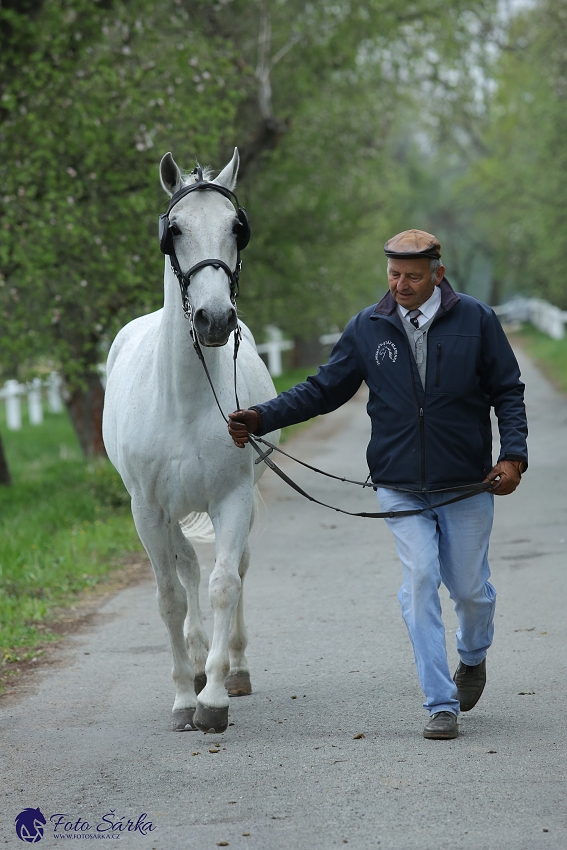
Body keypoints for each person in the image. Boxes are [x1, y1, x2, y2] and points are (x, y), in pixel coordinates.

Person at [227, 229, 528, 740]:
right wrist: (261, 416)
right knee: (418, 582)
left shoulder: (476, 320)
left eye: (412, 276)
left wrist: (514, 457)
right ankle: (441, 703)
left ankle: (473, 657)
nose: (401, 285)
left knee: (470, 591)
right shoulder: (368, 327)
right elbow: (323, 389)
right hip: (399, 483)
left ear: (438, 272)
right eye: (393, 274)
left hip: (467, 484)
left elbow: (508, 391)